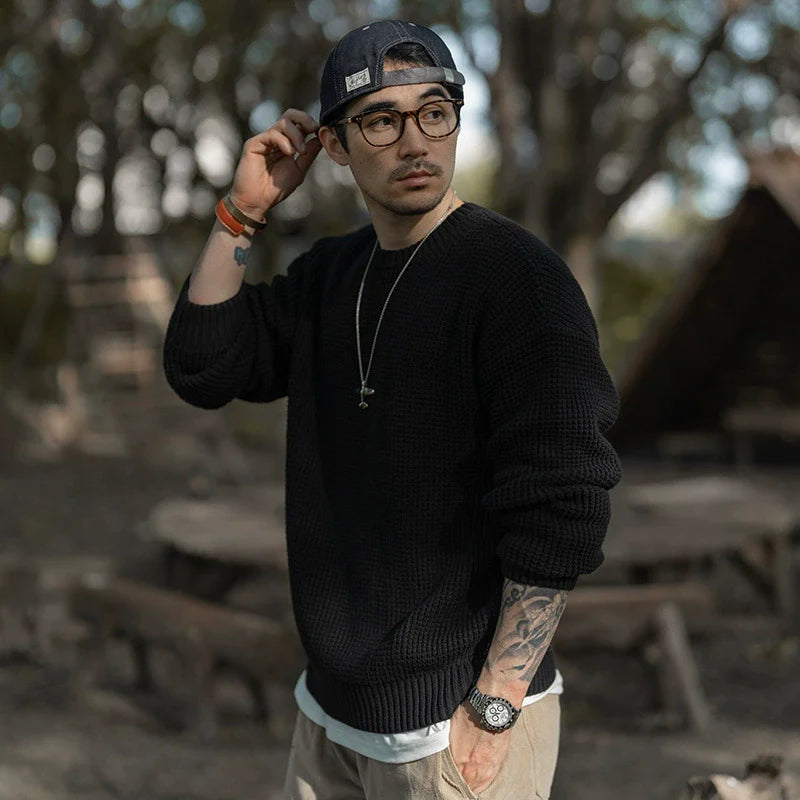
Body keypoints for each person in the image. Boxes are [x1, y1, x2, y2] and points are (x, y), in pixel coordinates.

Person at [163, 19, 622, 800]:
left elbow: (564, 502)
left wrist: (496, 704)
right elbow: (202, 366)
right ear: (335, 145)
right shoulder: (330, 275)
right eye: (381, 120)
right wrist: (242, 212)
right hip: (329, 714)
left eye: (434, 113)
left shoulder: (520, 280)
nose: (415, 143)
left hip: (458, 723)